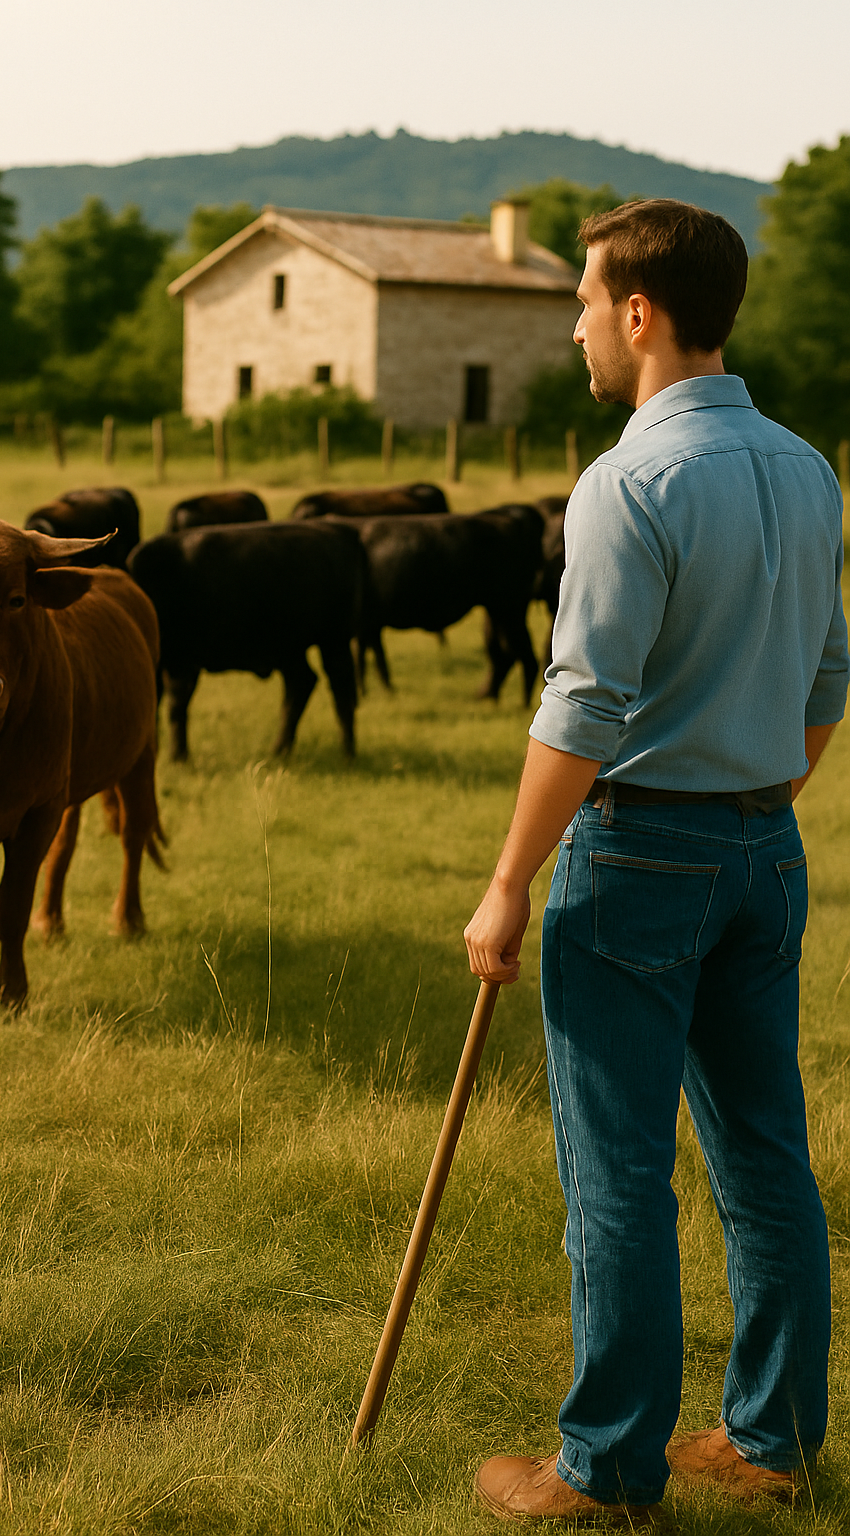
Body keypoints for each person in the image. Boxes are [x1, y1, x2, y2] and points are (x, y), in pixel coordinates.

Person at [464, 199, 848, 1528]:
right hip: (765, 846)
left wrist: (511, 880)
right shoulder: (808, 467)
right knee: (763, 1153)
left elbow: (584, 705)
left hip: (640, 856)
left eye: (582, 301)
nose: (572, 324)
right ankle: (776, 1439)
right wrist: (751, 805)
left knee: (617, 1164)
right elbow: (829, 676)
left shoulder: (626, 482)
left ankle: (606, 1471)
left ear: (640, 314)